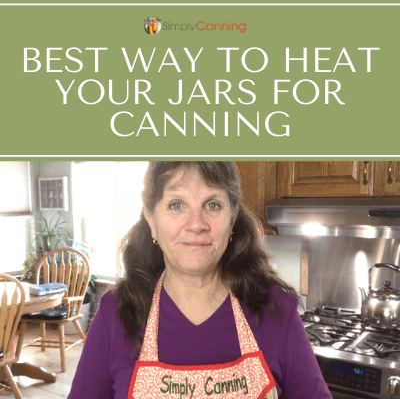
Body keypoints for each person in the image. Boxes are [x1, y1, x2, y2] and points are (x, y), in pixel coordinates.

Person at [68, 161, 332, 399]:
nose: (196, 224)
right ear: (151, 219)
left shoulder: (276, 310)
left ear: (232, 219)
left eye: (212, 205)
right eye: (176, 205)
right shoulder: (115, 314)